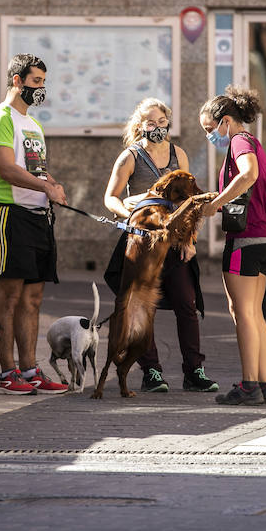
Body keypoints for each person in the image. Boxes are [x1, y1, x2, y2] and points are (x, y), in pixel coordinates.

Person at [103, 98, 219, 394]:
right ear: (140, 125)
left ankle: (195, 371)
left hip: (175, 240)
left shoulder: (177, 154)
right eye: (150, 123)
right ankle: (151, 371)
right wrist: (127, 212)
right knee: (143, 306)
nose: (156, 128)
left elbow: (190, 200)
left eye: (161, 122)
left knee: (186, 303)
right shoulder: (130, 157)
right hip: (143, 240)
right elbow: (111, 198)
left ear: (169, 122)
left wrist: (191, 241)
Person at [0, 54, 70, 395]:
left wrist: (53, 183)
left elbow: (35, 168)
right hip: (8, 214)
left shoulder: (33, 124)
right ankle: (8, 373)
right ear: (17, 81)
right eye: (36, 82)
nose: (41, 89)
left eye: (44, 83)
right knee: (9, 295)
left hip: (37, 217)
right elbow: (6, 168)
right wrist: (45, 186)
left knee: (33, 297)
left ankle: (31, 369)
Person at [199, 85, 266, 405]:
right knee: (254, 313)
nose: (210, 136)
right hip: (264, 238)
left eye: (209, 128)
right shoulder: (253, 142)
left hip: (244, 240)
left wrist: (215, 203)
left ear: (226, 121)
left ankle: (248, 386)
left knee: (241, 312)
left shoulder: (239, 141)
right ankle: (262, 385)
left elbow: (248, 174)